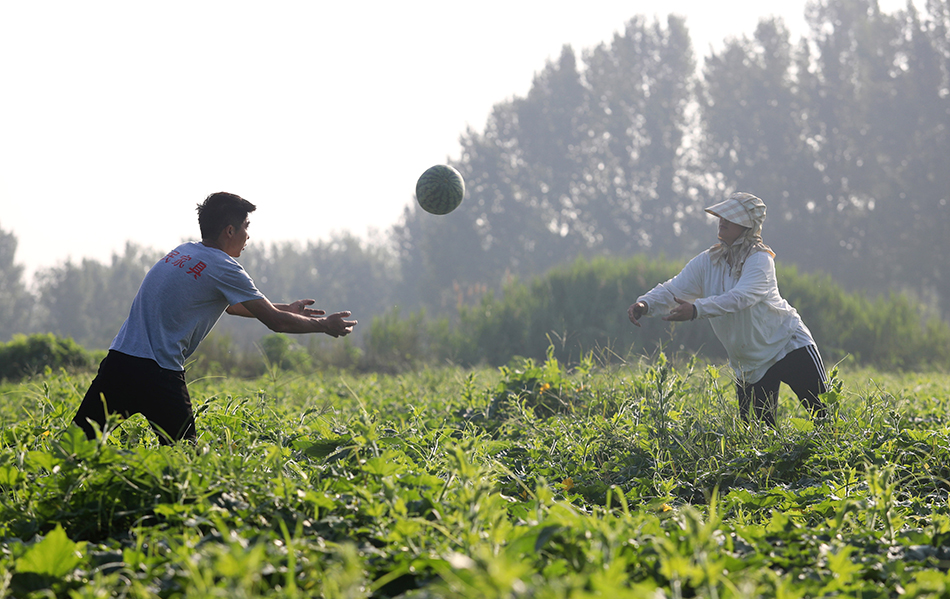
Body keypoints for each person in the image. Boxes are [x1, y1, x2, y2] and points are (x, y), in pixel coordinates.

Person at [73, 192, 357, 444]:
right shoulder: (225, 267)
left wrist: (284, 308)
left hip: (119, 362)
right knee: (185, 460)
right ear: (230, 230)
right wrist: (325, 326)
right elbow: (275, 322)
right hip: (159, 373)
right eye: (246, 228)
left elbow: (231, 306)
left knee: (75, 448)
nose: (248, 236)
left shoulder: (182, 252)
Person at [627, 192, 828, 426]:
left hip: (789, 346)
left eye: (730, 219)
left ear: (747, 226)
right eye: (722, 216)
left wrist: (696, 310)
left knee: (826, 417)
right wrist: (645, 304)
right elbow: (675, 288)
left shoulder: (760, 260)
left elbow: (740, 298)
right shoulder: (708, 260)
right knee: (758, 438)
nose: (722, 221)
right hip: (751, 363)